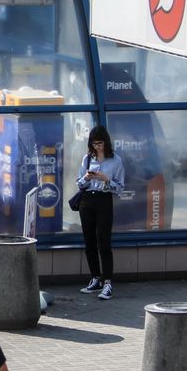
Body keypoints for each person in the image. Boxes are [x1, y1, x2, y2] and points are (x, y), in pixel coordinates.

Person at [75, 124, 125, 300]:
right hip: (87, 200)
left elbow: (119, 188)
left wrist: (106, 179)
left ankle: (108, 282)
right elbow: (79, 184)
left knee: (104, 242)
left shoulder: (115, 160)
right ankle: (95, 278)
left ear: (106, 142)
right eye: (95, 143)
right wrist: (87, 177)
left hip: (104, 201)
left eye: (101, 143)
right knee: (89, 242)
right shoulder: (87, 158)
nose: (98, 146)